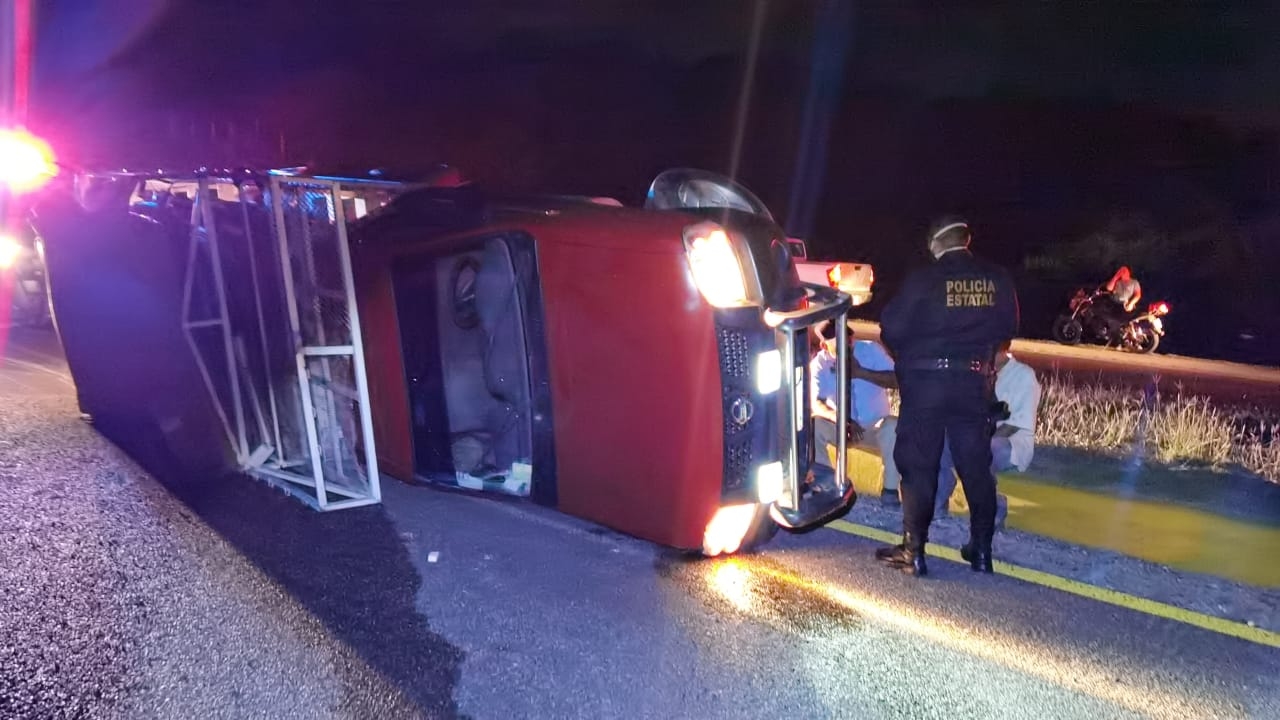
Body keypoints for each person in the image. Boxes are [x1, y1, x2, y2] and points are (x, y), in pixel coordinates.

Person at [875, 216, 1019, 576]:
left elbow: (891, 327)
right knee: (975, 468)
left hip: (926, 384)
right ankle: (982, 551)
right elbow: (1008, 328)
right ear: (965, 241)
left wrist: (914, 352)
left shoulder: (924, 279)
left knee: (919, 465)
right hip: (973, 383)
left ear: (934, 244)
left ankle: (914, 552)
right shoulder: (997, 277)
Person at [935, 340, 1042, 524]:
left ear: (1002, 351)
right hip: (974, 437)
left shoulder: (1023, 376)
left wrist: (975, 440)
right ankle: (937, 501)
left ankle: (993, 507)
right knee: (939, 443)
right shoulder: (977, 372)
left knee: (981, 450)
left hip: (1011, 443)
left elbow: (1014, 425)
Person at [809, 320, 901, 505]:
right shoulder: (820, 364)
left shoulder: (870, 350)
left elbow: (899, 380)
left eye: (848, 339)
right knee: (814, 425)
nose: (847, 345)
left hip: (873, 428)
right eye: (839, 344)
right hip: (842, 427)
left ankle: (890, 491)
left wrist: (861, 373)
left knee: (892, 425)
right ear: (824, 346)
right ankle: (825, 485)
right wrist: (840, 419)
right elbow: (816, 403)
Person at [1096, 266, 1142, 342]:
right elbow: (1109, 288)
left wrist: (1131, 303)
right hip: (1115, 303)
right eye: (1121, 271)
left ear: (1128, 272)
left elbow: (1138, 295)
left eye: (1124, 271)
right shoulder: (1117, 282)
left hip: (1127, 304)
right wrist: (1116, 276)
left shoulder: (1134, 282)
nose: (1123, 272)